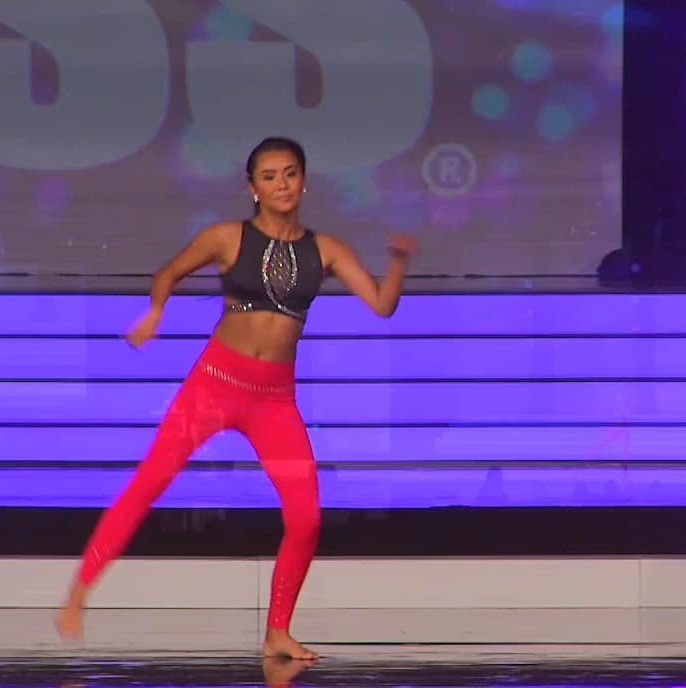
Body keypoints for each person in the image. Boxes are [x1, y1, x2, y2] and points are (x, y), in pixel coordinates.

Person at [56, 136, 417, 659]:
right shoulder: (226, 237)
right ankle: (79, 593)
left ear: (304, 180)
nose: (282, 184)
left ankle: (277, 633)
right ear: (253, 188)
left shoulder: (327, 249)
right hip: (213, 385)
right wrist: (155, 314)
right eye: (269, 176)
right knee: (148, 482)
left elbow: (382, 305)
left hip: (274, 399)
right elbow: (168, 273)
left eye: (290, 173)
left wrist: (399, 262)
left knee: (307, 516)